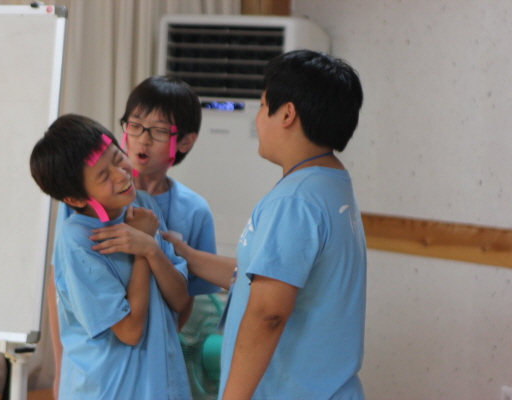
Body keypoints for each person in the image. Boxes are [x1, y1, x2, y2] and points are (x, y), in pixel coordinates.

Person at [162, 50, 367, 400]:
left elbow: (267, 313)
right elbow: (258, 276)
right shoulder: (330, 183)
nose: (257, 118)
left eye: (261, 106)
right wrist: (185, 256)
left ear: (287, 113)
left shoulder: (294, 201)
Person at [49, 76, 219, 396]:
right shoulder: (80, 214)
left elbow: (184, 299)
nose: (142, 140)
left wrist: (159, 348)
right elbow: (62, 287)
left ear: (184, 141)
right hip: (103, 376)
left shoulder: (179, 208)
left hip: (153, 372)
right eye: (135, 126)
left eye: (158, 131)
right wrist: (60, 368)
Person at [30, 114, 192, 400]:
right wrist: (142, 249)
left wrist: (151, 248)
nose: (121, 174)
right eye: (104, 176)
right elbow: (130, 331)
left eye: (118, 158)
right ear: (76, 199)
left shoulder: (143, 207)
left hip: (161, 386)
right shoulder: (78, 240)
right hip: (108, 390)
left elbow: (179, 300)